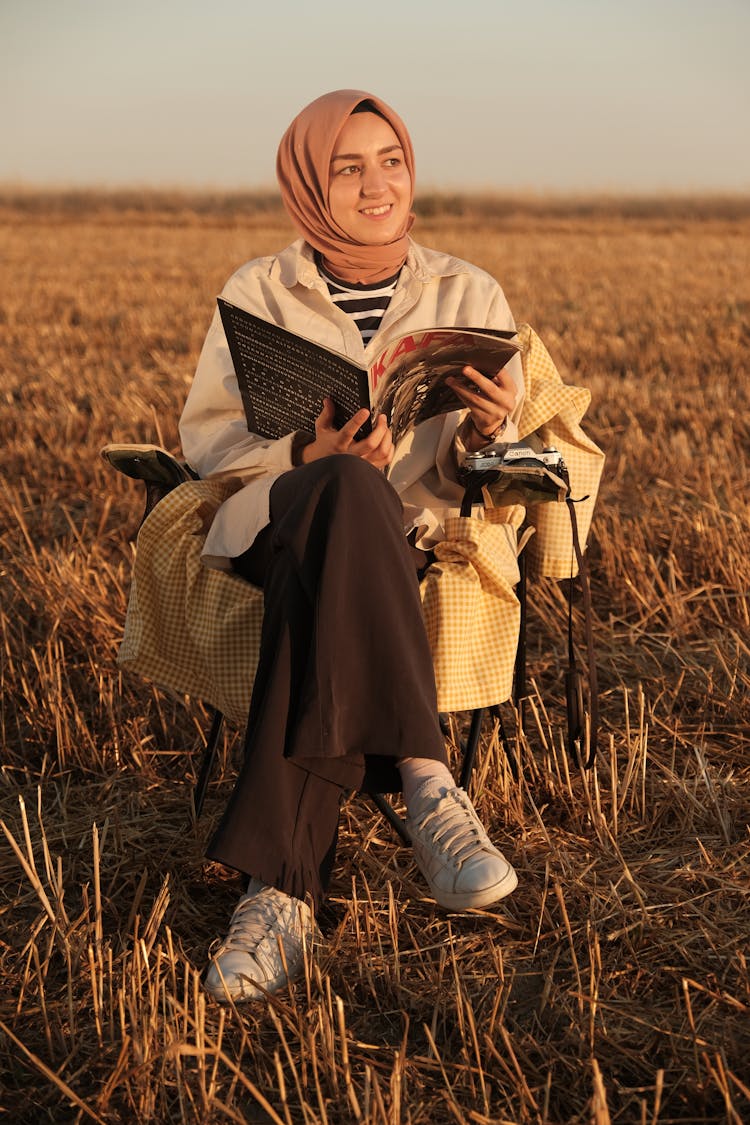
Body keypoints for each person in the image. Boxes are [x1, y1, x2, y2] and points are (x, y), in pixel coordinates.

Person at [175, 89, 539, 1003]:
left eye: (391, 161)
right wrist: (308, 451)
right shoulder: (257, 290)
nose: (377, 183)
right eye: (349, 166)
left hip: (413, 537)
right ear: (309, 182)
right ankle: (426, 778)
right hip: (278, 524)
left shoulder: (468, 291)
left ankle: (281, 892)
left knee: (344, 541)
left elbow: (503, 464)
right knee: (338, 487)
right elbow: (208, 438)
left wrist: (488, 434)